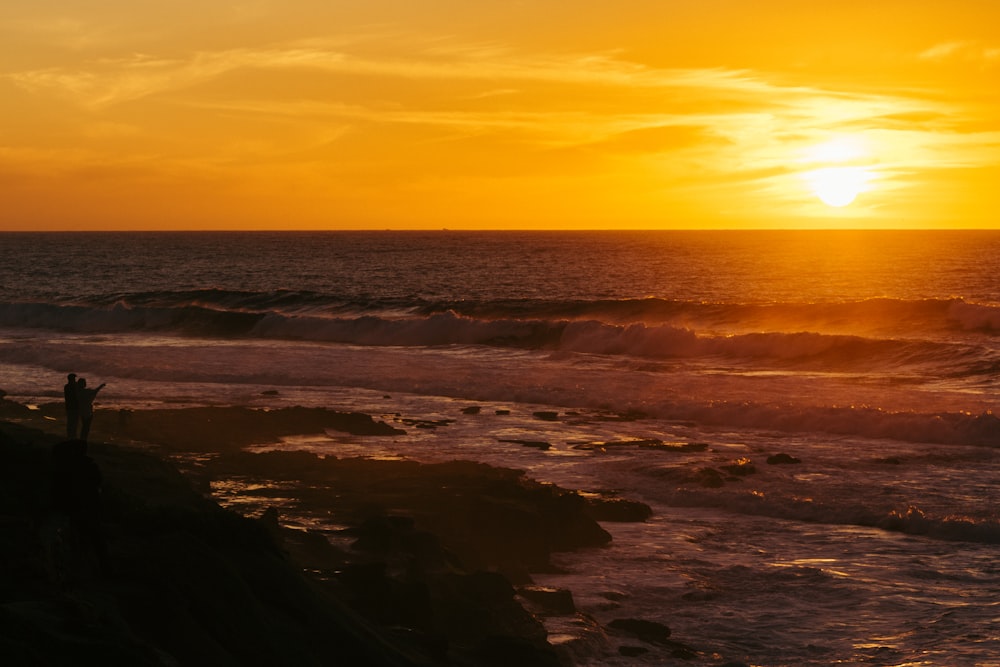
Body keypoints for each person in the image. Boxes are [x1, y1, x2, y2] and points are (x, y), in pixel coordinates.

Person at [76, 378, 106, 443]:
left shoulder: (77, 392)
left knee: (84, 426)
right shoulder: (87, 392)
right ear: (84, 384)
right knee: (86, 427)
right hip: (88, 411)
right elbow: (95, 391)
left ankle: (82, 439)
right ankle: (83, 440)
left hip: (81, 411)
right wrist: (101, 386)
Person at [63, 373, 79, 439]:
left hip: (69, 406)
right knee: (74, 422)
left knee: (70, 422)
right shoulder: (73, 386)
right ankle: (73, 436)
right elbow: (76, 395)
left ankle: (70, 436)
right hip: (74, 407)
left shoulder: (66, 386)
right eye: (74, 379)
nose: (75, 380)